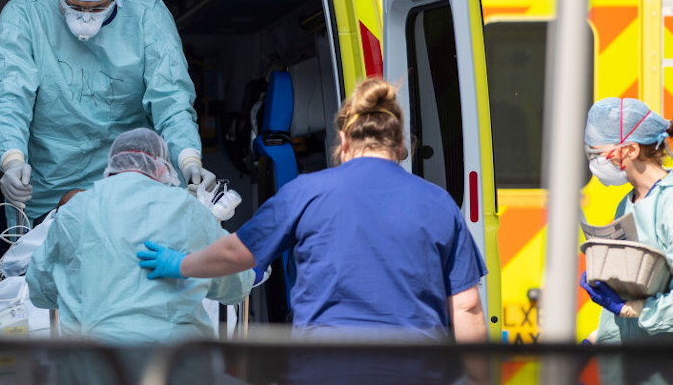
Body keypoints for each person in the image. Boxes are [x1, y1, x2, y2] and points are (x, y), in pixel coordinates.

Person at [138, 77, 488, 342]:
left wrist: (179, 264)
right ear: (400, 144)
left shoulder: (305, 194)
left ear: (345, 141)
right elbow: (467, 305)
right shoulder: (438, 203)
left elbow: (235, 253)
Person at [0, 0, 215, 225]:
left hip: (133, 181)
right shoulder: (26, 15)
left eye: (97, 8)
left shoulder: (147, 15)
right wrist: (12, 160)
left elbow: (171, 101)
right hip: (51, 188)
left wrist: (190, 162)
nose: (85, 18)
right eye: (75, 7)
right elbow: (10, 95)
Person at [25, 128, 254, 343]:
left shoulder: (75, 209)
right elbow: (234, 286)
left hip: (93, 363)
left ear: (111, 166)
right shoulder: (188, 209)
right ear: (162, 168)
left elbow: (40, 287)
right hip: (172, 362)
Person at [581, 97, 673, 343]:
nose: (595, 164)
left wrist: (638, 310)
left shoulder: (669, 202)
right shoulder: (627, 204)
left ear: (631, 150)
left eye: (598, 154)